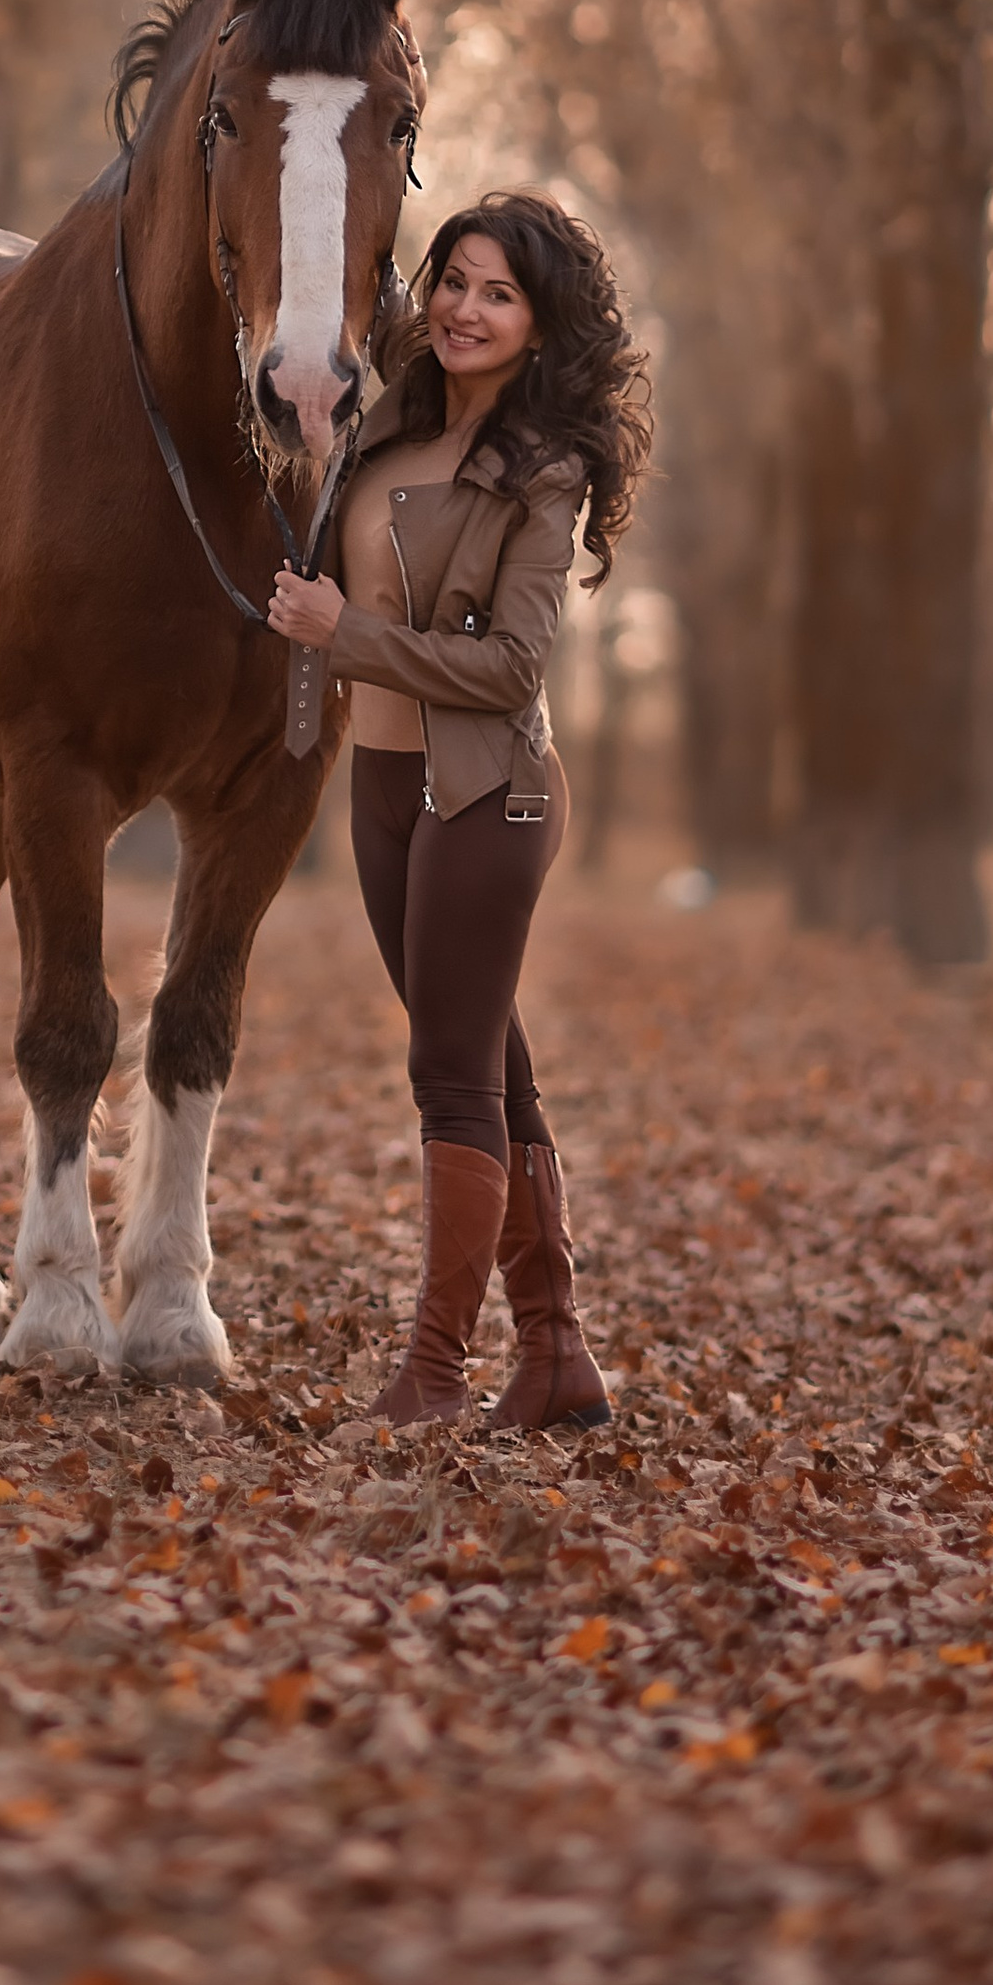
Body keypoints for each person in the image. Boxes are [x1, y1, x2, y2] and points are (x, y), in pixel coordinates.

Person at [268, 192, 651, 1431]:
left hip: (487, 788)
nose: (464, 309)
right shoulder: (392, 422)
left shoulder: (543, 472)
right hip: (379, 788)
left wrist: (348, 633)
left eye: (498, 293)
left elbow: (511, 670)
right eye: (453, 281)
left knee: (449, 1075)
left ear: (539, 326)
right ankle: (555, 1358)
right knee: (495, 1072)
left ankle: (432, 1373)